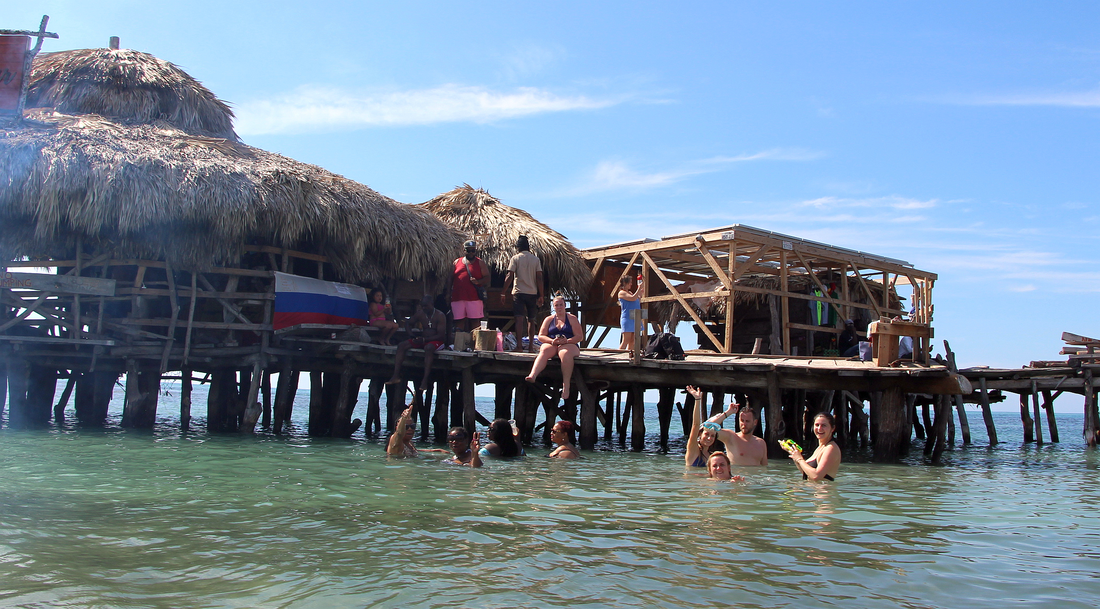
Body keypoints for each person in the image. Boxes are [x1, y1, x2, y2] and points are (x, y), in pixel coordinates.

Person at [386, 295, 447, 394]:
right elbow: (408, 323)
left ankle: (425, 380)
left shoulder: (440, 315)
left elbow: (440, 336)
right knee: (402, 346)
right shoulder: (421, 314)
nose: (424, 308)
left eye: (426, 306)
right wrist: (411, 335)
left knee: (428, 348)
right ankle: (396, 375)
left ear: (432, 304)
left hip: (436, 342)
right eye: (422, 306)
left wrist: (424, 340)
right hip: (423, 340)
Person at [525, 296, 582, 399]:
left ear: (565, 306)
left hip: (569, 343)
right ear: (553, 307)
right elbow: (541, 336)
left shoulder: (572, 318)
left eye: (561, 305)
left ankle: (566, 385)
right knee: (544, 350)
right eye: (556, 305)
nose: (559, 307)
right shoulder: (549, 319)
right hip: (553, 342)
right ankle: (533, 374)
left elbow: (579, 336)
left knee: (565, 353)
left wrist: (567, 341)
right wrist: (552, 341)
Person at [501, 235, 544, 352]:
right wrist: (541, 295)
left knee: (519, 319)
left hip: (519, 293)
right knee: (531, 320)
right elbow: (539, 277)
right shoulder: (535, 260)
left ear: (518, 247)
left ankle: (519, 346)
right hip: (532, 292)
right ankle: (530, 347)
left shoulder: (515, 258)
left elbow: (509, 276)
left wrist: (503, 292)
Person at [449, 240, 490, 333]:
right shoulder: (456, 262)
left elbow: (487, 278)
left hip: (474, 298)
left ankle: (474, 345)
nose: (471, 253)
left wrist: (478, 281)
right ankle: (459, 344)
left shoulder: (480, 263)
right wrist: (448, 293)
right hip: (458, 297)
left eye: (473, 251)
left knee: (475, 322)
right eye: (468, 250)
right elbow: (450, 279)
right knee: (459, 322)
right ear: (464, 250)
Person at [786, 412, 841, 481]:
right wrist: (794, 455)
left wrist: (799, 459)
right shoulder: (820, 447)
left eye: (824, 425)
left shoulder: (831, 448)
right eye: (817, 425)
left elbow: (816, 476)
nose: (819, 428)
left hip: (824, 491)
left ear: (832, 428)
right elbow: (806, 473)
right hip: (813, 490)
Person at [617, 275, 643, 351]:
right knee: (626, 340)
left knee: (632, 341)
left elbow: (637, 300)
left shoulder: (630, 292)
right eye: (630, 283)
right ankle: (618, 356)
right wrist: (638, 288)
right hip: (627, 318)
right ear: (625, 283)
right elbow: (632, 298)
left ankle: (629, 356)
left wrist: (640, 292)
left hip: (635, 317)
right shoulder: (621, 293)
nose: (631, 284)